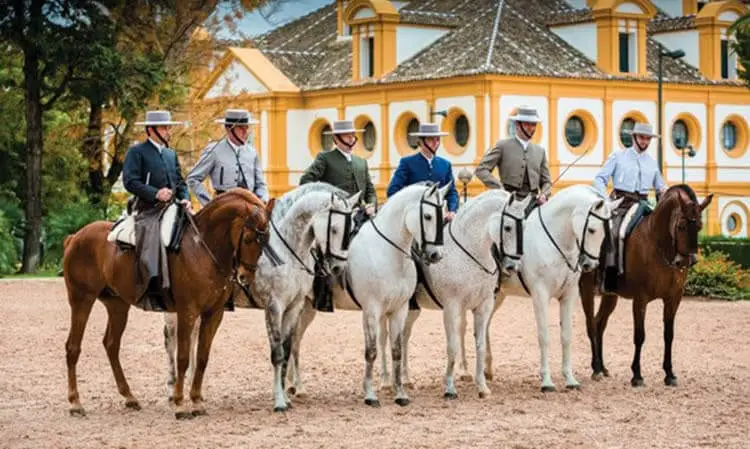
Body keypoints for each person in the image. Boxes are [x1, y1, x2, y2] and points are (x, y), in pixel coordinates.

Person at [122, 110, 190, 312]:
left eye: (169, 127)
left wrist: (185, 198)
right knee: (154, 236)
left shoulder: (170, 154)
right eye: (164, 127)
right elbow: (130, 181)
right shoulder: (137, 152)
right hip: (148, 209)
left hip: (174, 206)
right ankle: (153, 286)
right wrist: (155, 193)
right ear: (150, 130)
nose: (168, 131)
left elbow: (180, 181)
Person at [593, 121, 667, 292]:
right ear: (633, 137)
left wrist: (666, 192)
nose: (645, 142)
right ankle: (609, 274)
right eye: (642, 137)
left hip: (643, 205)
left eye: (648, 139)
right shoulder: (618, 156)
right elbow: (599, 179)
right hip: (621, 203)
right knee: (615, 232)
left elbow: (660, 187)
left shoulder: (652, 163)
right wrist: (606, 200)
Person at [475, 106, 551, 215]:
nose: (531, 128)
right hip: (508, 203)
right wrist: (499, 188)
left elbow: (546, 181)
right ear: (517, 125)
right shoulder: (502, 146)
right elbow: (481, 170)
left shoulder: (540, 151)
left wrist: (544, 194)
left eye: (533, 124)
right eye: (527, 124)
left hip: (533, 204)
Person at [187, 109, 269, 206]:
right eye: (241, 128)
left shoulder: (252, 152)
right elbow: (193, 178)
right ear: (229, 129)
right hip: (223, 208)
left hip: (250, 207)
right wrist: (209, 203)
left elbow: (261, 184)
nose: (246, 132)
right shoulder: (214, 150)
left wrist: (261, 200)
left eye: (247, 128)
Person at [300, 119, 377, 215]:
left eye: (352, 135)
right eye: (347, 135)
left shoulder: (361, 162)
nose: (351, 138)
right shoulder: (325, 158)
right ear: (336, 138)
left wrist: (371, 205)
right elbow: (305, 181)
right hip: (334, 214)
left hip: (359, 214)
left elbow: (370, 190)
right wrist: (324, 200)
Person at [386, 122, 459, 221]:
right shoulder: (407, 162)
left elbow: (452, 192)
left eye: (437, 139)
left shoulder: (445, 164)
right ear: (421, 141)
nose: (435, 143)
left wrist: (452, 210)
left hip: (439, 217)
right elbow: (393, 191)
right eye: (430, 139)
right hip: (414, 218)